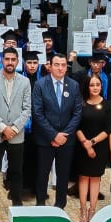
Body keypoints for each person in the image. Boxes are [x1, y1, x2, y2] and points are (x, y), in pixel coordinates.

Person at [0, 47, 32, 207]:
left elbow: (27, 109)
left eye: (13, 59)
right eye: (7, 59)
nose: (10, 62)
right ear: (2, 60)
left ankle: (17, 203)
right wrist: (3, 128)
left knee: (16, 172)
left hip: (17, 135)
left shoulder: (25, 81)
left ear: (17, 61)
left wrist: (14, 129)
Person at [31, 53, 83, 208]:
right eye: (57, 65)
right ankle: (40, 204)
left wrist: (64, 135)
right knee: (42, 173)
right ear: (50, 66)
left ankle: (60, 205)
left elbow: (77, 113)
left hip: (67, 140)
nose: (60, 68)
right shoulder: (40, 84)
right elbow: (37, 113)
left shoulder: (73, 85)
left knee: (63, 174)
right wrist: (54, 135)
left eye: (63, 65)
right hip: (45, 139)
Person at [73, 74, 111, 222]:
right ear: (87, 87)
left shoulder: (107, 105)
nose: (95, 87)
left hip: (100, 147)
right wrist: (85, 143)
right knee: (83, 177)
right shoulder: (81, 104)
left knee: (96, 178)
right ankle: (83, 209)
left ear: (101, 86)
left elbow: (108, 129)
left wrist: (92, 142)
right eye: (92, 85)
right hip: (82, 146)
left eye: (98, 85)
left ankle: (92, 209)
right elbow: (77, 126)